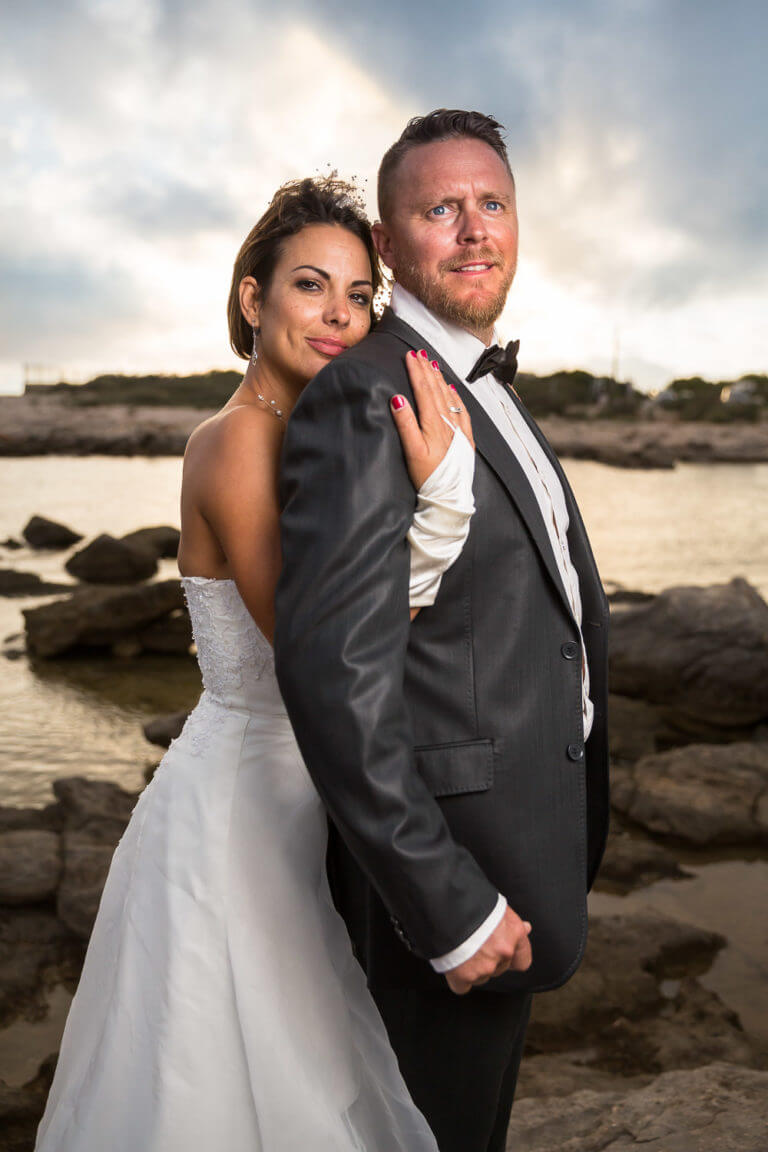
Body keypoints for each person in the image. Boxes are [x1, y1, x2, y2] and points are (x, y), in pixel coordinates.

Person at [34, 176, 479, 1152]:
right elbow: (321, 645)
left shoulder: (306, 442)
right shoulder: (236, 442)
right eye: (311, 286)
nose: (337, 315)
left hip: (290, 804)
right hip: (236, 817)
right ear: (252, 299)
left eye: (359, 294)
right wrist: (441, 514)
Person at [274, 110, 611, 1152]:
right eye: (440, 210)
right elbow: (337, 675)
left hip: (526, 842)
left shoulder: (491, 388)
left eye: (493, 204)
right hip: (452, 870)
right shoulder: (362, 394)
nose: (474, 230)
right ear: (388, 244)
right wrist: (448, 902)